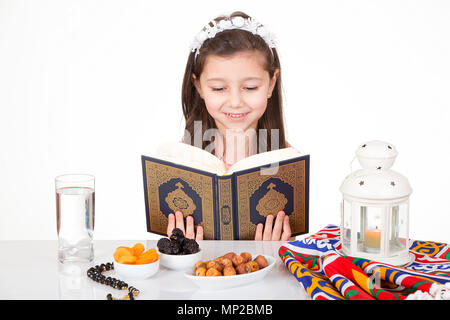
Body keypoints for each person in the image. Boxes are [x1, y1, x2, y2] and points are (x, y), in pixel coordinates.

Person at [167, 11, 294, 241]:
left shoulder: (286, 161)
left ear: (271, 83)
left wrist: (280, 247)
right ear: (198, 86)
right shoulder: (181, 160)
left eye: (251, 87)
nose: (235, 102)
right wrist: (180, 246)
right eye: (218, 88)